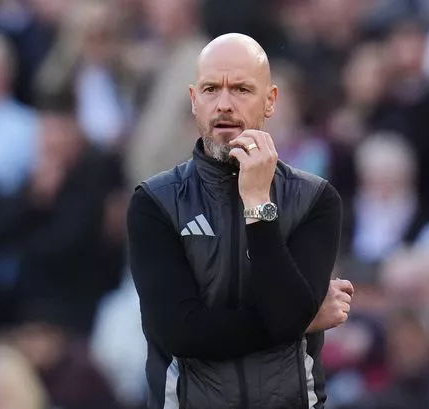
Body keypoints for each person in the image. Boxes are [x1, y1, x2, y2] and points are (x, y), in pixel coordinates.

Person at [127, 33, 353, 409]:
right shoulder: (155, 202)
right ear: (193, 100)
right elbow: (183, 335)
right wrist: (301, 321)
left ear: (271, 101)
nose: (224, 105)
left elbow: (285, 316)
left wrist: (257, 202)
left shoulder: (316, 199)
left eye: (242, 89)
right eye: (211, 89)